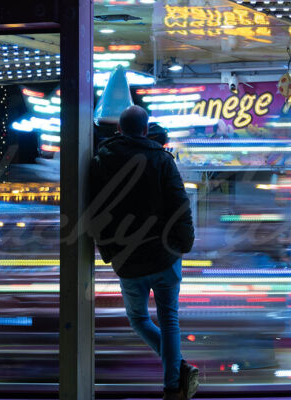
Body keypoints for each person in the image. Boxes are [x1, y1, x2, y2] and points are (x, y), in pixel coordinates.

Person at [90, 105, 198, 400]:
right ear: (147, 129)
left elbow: (95, 209)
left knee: (138, 319)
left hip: (128, 259)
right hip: (164, 254)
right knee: (169, 318)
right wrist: (182, 245)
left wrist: (109, 249)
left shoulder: (101, 161)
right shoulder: (162, 159)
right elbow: (180, 205)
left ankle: (177, 368)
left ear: (120, 130)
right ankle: (172, 385)